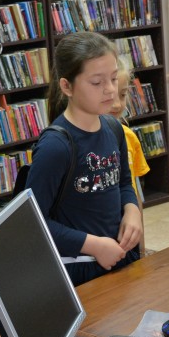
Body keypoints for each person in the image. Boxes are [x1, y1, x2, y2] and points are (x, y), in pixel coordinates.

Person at [26, 31, 143, 286]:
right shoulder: (55, 146)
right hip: (79, 270)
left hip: (118, 259)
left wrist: (132, 210)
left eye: (113, 78)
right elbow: (33, 224)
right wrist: (94, 245)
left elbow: (124, 183)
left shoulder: (113, 128)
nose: (110, 90)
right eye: (97, 82)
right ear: (66, 86)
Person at [109, 65, 150, 252]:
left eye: (123, 95)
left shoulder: (129, 137)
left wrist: (141, 248)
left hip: (128, 230)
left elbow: (135, 191)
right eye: (111, 95)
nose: (118, 105)